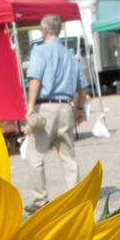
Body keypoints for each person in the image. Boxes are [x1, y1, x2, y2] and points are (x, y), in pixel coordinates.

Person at [23, 13, 87, 210]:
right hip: (66, 107)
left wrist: (30, 107)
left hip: (46, 107)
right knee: (68, 155)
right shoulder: (69, 54)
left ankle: (40, 199)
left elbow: (34, 80)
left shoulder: (40, 51)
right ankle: (74, 196)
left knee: (36, 155)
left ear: (44, 30)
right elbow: (83, 87)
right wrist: (78, 109)